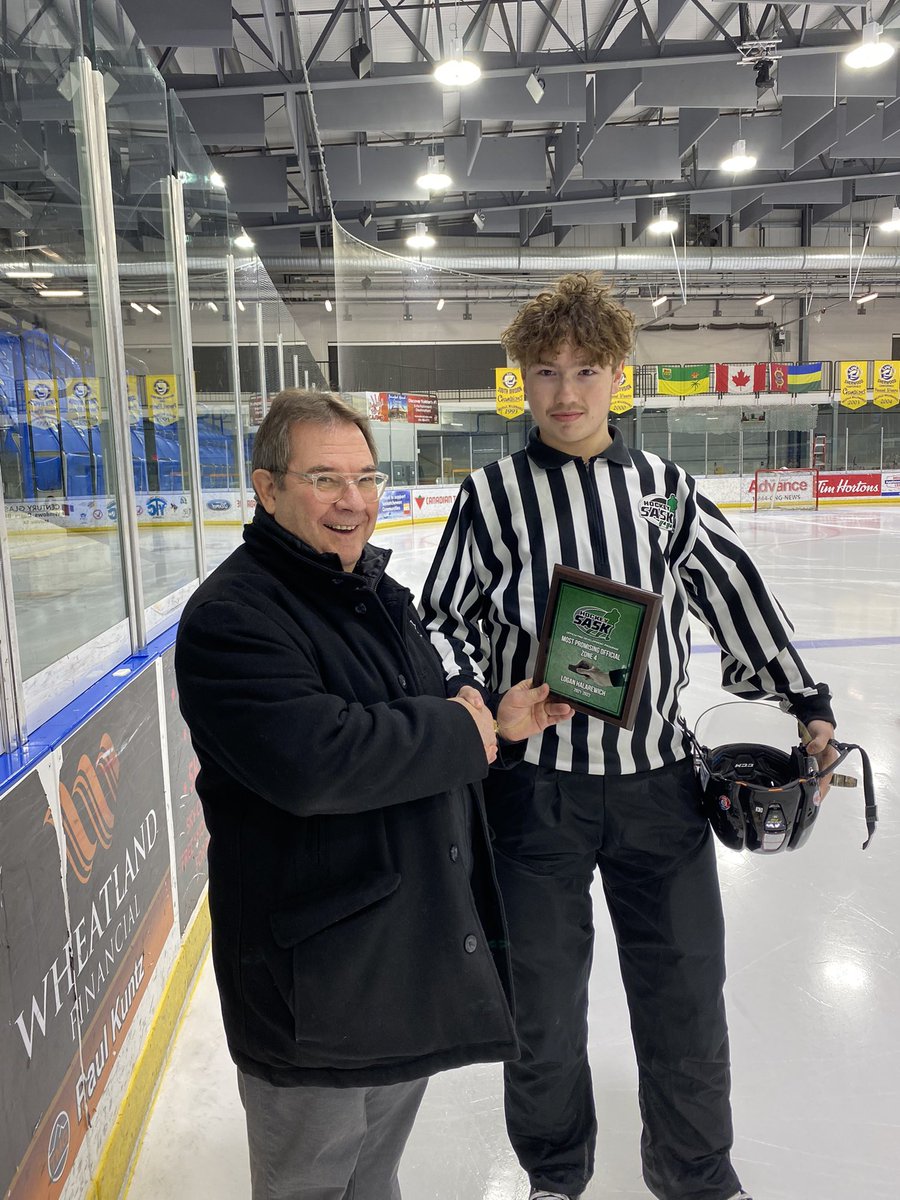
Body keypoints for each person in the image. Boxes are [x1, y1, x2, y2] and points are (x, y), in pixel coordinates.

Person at [420, 274, 838, 1200]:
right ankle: (555, 1175)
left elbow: (735, 594)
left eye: (585, 370)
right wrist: (473, 694)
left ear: (619, 378)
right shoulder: (491, 496)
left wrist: (803, 696)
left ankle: (695, 1175)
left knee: (686, 999)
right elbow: (440, 618)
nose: (565, 392)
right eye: (545, 372)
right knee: (541, 1012)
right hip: (534, 796)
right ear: (520, 383)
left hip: (659, 793)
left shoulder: (664, 489)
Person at [174, 389, 570, 1199]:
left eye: (365, 476)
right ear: (266, 487)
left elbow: (428, 730)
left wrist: (496, 720)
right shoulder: (233, 616)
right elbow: (320, 761)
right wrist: (461, 730)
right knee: (310, 1185)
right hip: (313, 988)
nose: (353, 501)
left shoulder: (380, 596)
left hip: (400, 965)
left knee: (373, 1177)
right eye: (325, 479)